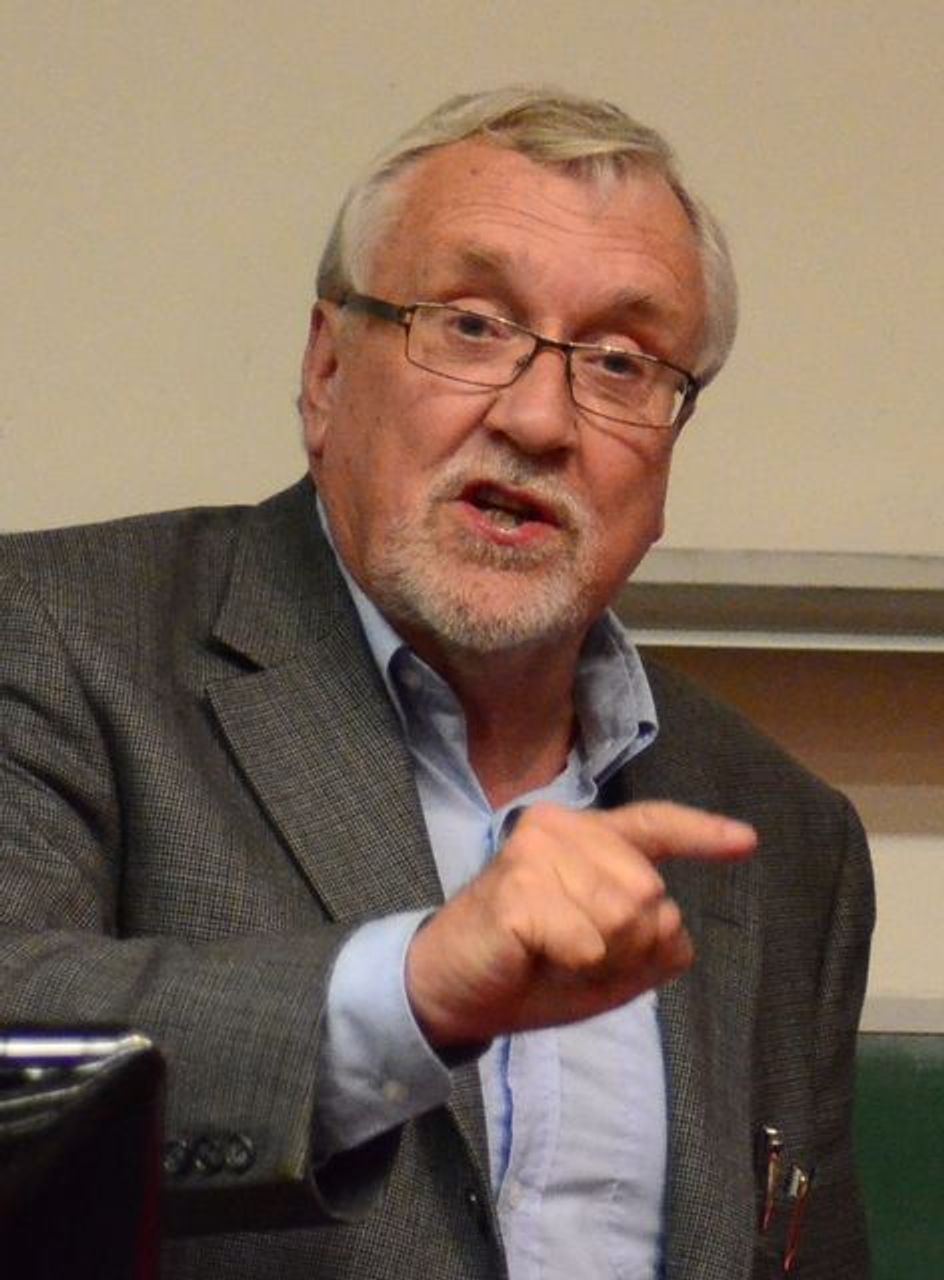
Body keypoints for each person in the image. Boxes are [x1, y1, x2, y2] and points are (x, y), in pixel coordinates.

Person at [0, 86, 873, 1279]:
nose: (537, 418)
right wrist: (407, 991)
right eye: (469, 324)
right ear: (324, 372)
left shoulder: (784, 835)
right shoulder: (54, 633)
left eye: (620, 362)